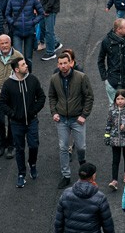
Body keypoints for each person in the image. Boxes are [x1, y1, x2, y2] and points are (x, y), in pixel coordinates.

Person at [49, 48, 96, 187]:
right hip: (62, 119)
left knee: (81, 147)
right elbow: (52, 96)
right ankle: (66, 175)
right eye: (60, 63)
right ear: (58, 65)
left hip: (77, 119)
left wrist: (84, 115)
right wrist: (54, 112)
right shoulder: (54, 79)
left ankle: (82, 161)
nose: (63, 66)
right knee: (63, 147)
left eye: (65, 63)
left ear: (71, 63)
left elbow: (89, 97)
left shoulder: (81, 77)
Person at [0, 55, 45, 188]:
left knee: (34, 145)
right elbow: (2, 103)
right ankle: (21, 173)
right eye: (23, 64)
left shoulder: (32, 80)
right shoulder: (8, 84)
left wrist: (33, 111)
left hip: (32, 121)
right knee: (19, 148)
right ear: (16, 69)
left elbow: (41, 97)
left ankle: (32, 164)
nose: (27, 66)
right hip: (16, 123)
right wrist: (13, 114)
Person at [0, 34, 24, 158]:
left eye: (6, 43)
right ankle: (2, 143)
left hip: (13, 97)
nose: (4, 46)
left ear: (10, 43)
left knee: (12, 121)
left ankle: (11, 145)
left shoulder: (18, 56)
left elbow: (23, 74)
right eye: (1, 44)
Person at [54, 162, 114, 233]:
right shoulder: (100, 198)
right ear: (93, 176)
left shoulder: (66, 194)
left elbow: (58, 223)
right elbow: (108, 225)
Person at [104, 89, 125, 190]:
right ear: (115, 100)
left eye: (122, 98)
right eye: (118, 99)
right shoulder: (112, 110)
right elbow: (108, 124)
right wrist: (107, 136)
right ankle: (114, 180)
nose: (120, 101)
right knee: (115, 159)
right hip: (114, 139)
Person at [6, 0, 42, 68]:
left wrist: (33, 22)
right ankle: (19, 77)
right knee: (18, 57)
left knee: (28, 58)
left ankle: (28, 76)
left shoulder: (33, 0)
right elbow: (7, 15)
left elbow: (41, 13)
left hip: (29, 32)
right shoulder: (12, 0)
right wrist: (12, 22)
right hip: (16, 32)